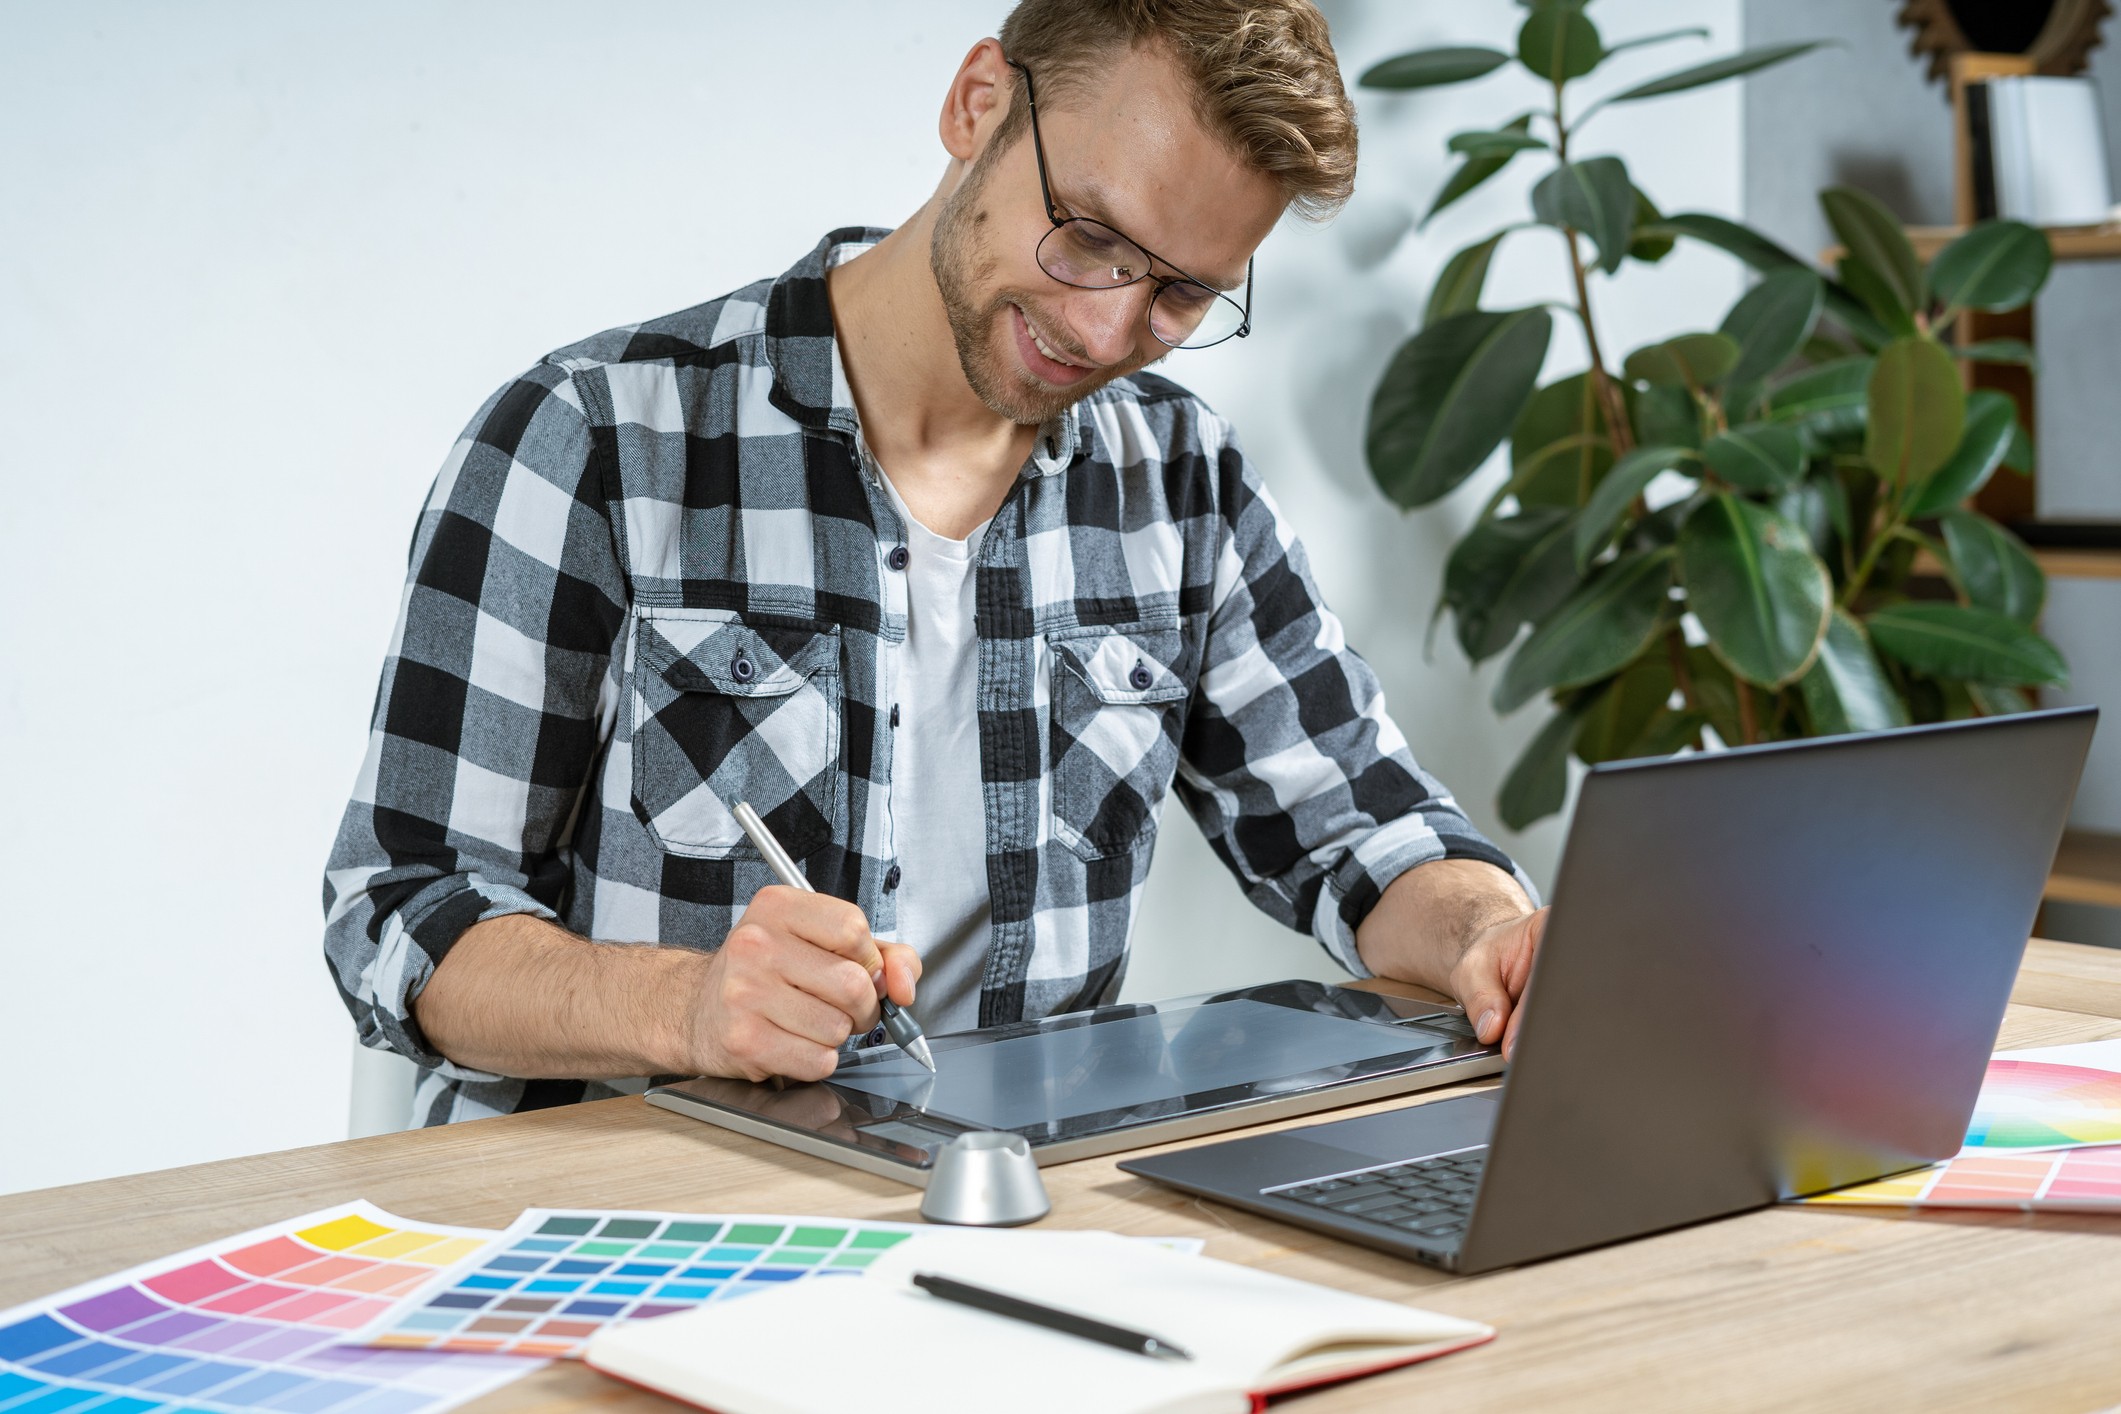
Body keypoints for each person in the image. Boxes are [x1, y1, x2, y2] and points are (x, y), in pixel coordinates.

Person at [323, 0, 1549, 1126]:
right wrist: (687, 1006)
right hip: (636, 1237)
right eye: (1089, 237)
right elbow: (402, 903)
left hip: (1010, 1231)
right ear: (976, 105)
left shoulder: (1180, 480)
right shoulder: (596, 437)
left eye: (1181, 293)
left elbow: (1366, 834)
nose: (1108, 327)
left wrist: (1491, 935)